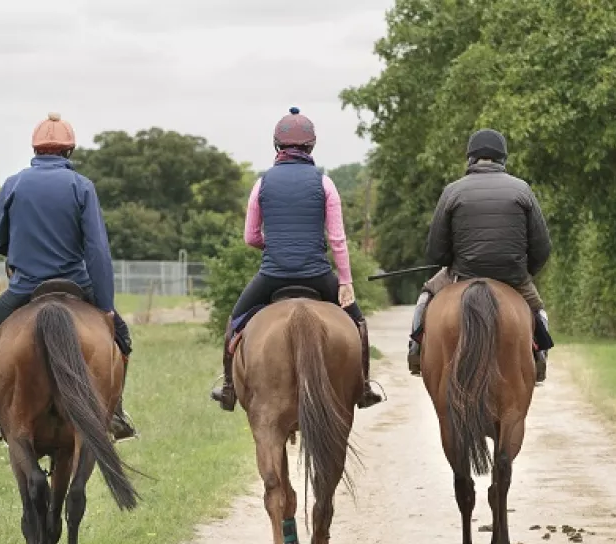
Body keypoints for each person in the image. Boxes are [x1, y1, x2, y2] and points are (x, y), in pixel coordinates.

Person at [0, 112, 138, 442]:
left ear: (35, 150)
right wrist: (104, 304)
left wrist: (18, 248)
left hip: (25, 287)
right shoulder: (81, 186)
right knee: (120, 337)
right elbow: (97, 249)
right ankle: (115, 410)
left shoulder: (14, 183)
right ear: (69, 151)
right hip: (78, 284)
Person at [210, 107, 382, 411]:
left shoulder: (261, 184)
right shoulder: (325, 184)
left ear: (277, 146)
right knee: (357, 322)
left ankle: (227, 388)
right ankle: (365, 386)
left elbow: (250, 237)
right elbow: (338, 239)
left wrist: (274, 245)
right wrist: (345, 281)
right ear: (311, 146)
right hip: (317, 274)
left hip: (272, 275)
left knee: (235, 322)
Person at [407, 128, 553, 382]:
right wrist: (523, 272)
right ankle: (540, 358)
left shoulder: (452, 191)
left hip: (463, 274)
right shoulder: (522, 189)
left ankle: (416, 351)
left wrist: (452, 262)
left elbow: (436, 252)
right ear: (502, 159)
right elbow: (542, 247)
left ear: (471, 159)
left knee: (425, 298)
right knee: (539, 312)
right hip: (513, 275)